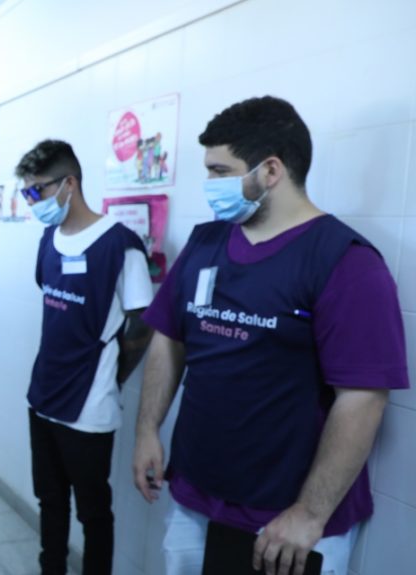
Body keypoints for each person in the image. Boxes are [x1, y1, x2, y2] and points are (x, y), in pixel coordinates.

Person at [132, 96, 409, 575]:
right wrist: (146, 430)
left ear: (271, 171)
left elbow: (363, 398)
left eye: (220, 171)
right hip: (195, 496)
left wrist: (310, 514)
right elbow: (168, 339)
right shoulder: (205, 243)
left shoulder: (345, 262)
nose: (209, 184)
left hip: (284, 524)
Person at [16, 139, 154, 575]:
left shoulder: (120, 245)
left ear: (69, 184)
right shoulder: (48, 239)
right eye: (26, 192)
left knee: (93, 511)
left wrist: (113, 377)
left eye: (37, 190)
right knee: (50, 499)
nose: (32, 201)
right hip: (43, 393)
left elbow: (142, 323)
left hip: (90, 404)